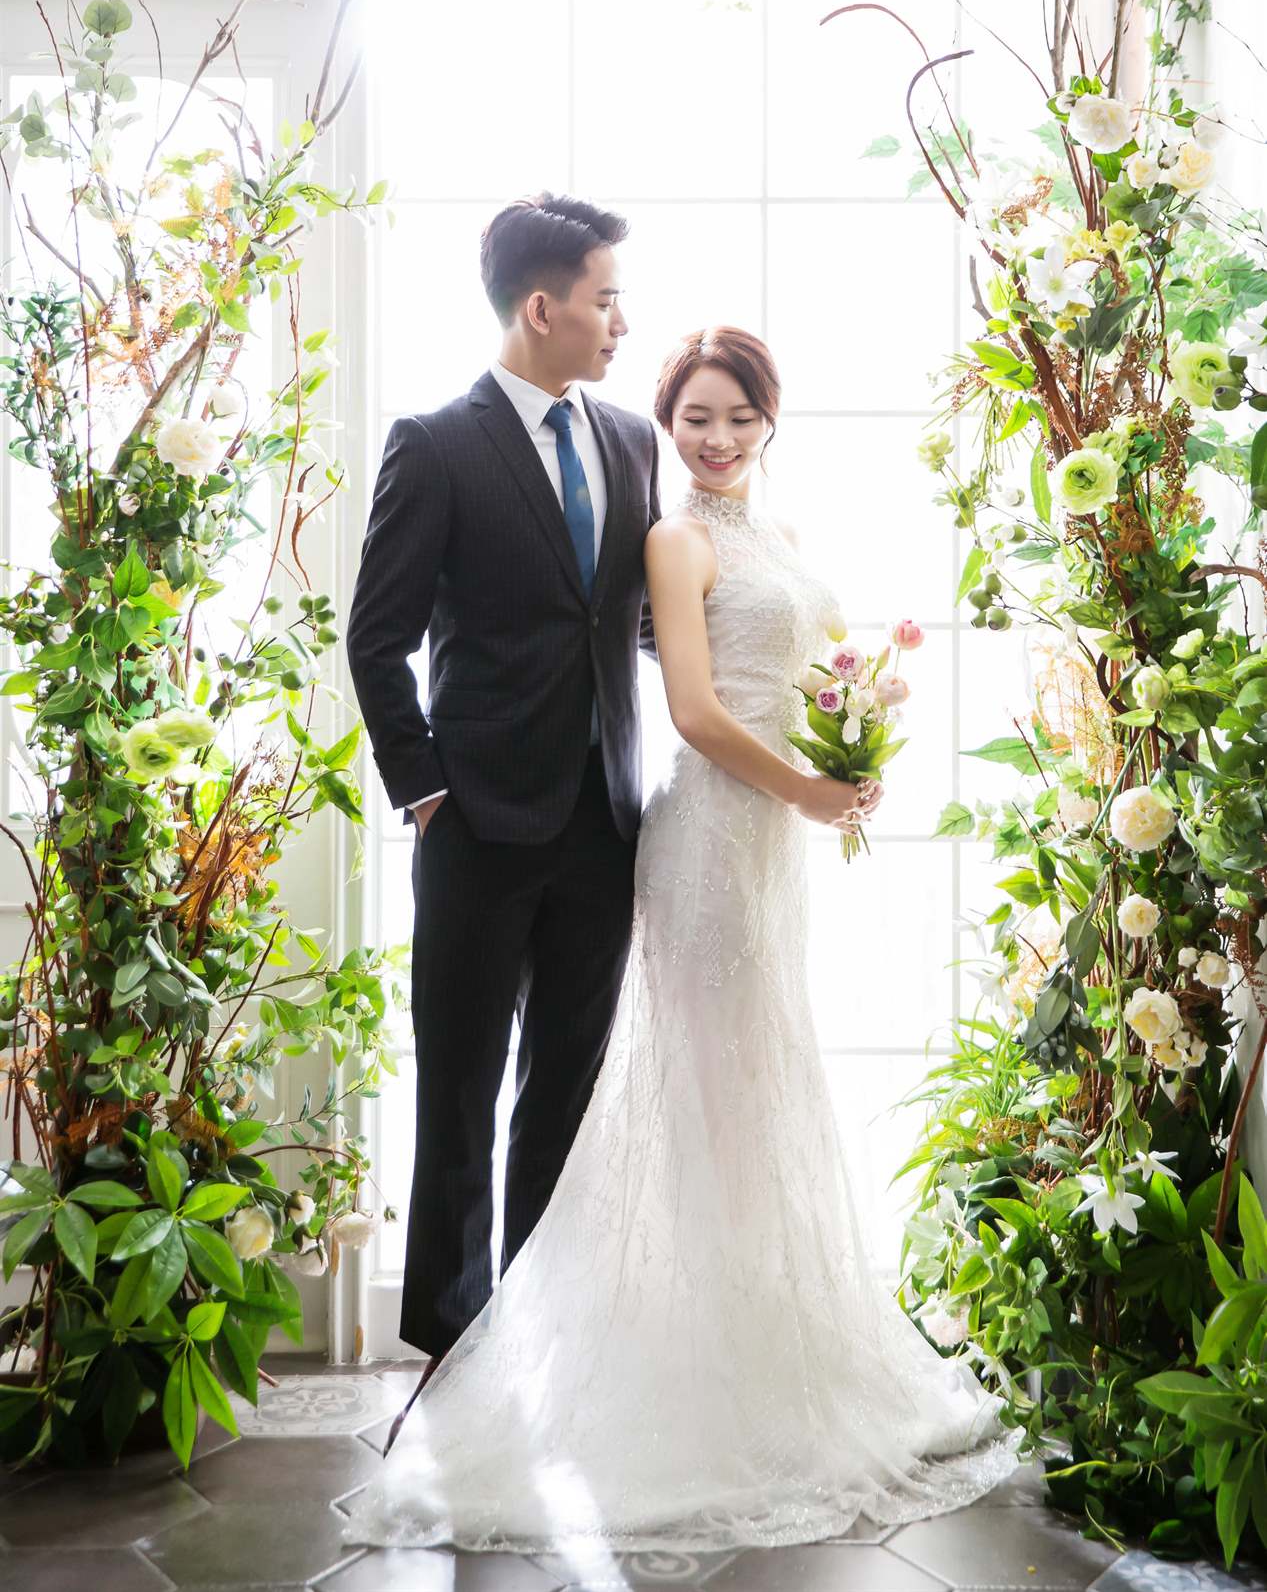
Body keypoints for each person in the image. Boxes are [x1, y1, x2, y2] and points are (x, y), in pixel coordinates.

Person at [342, 325, 1022, 1555]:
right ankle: (479, 1355)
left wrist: (851, 738)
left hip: (704, 837)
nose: (715, 438)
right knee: (546, 1086)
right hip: (684, 831)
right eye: (695, 418)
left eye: (738, 417)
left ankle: (742, 1347)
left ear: (771, 418)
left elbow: (735, 655)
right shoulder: (648, 523)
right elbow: (693, 707)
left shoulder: (737, 515)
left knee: (734, 1093)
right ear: (669, 420)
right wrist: (805, 788)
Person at [345, 192, 662, 1379]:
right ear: (541, 307)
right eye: (605, 299)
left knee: (564, 1093)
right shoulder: (434, 445)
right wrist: (426, 791)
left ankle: (543, 1333)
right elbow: (376, 639)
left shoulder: (630, 441)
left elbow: (632, 622)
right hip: (475, 824)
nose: (621, 321)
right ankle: (451, 1349)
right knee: (460, 1089)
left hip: (604, 819)